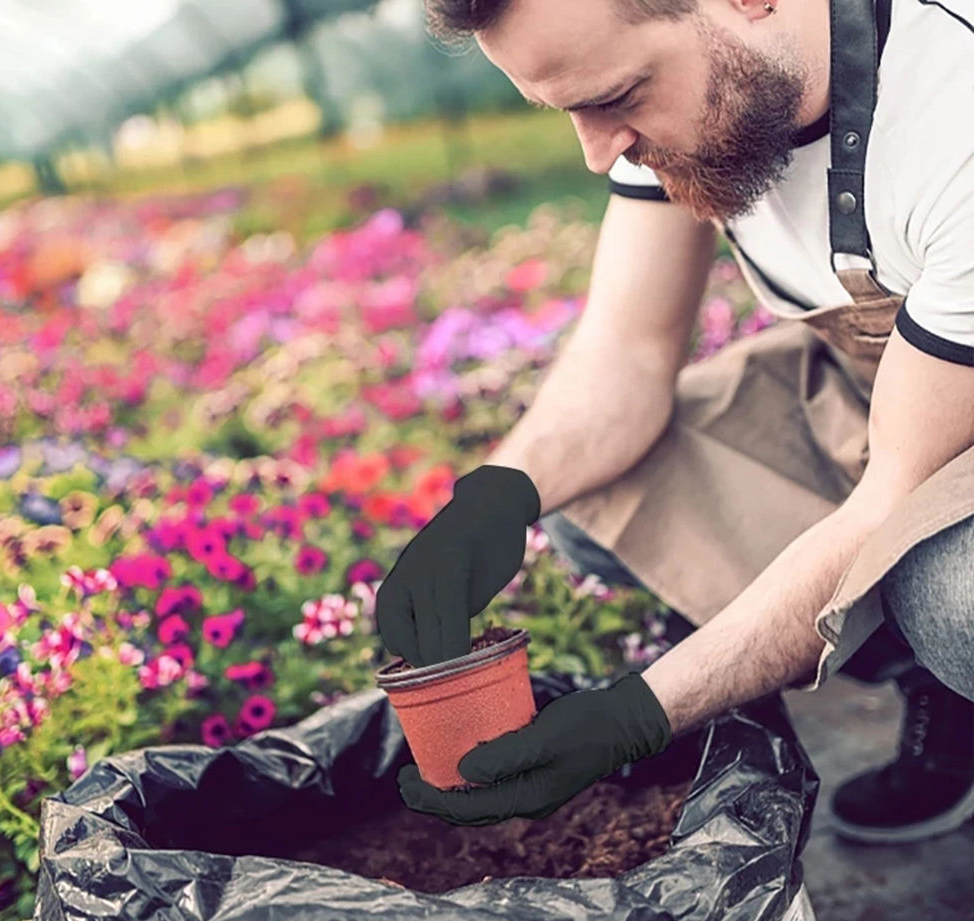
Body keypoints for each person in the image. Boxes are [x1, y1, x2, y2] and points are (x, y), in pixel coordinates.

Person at [376, 0, 974, 839]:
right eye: (569, 112)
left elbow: (892, 504)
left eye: (617, 95)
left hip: (928, 452)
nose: (595, 153)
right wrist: (491, 501)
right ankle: (938, 692)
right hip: (899, 399)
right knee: (600, 491)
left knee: (954, 594)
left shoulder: (954, 114)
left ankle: (951, 671)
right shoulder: (717, 86)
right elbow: (625, 352)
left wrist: (640, 714)